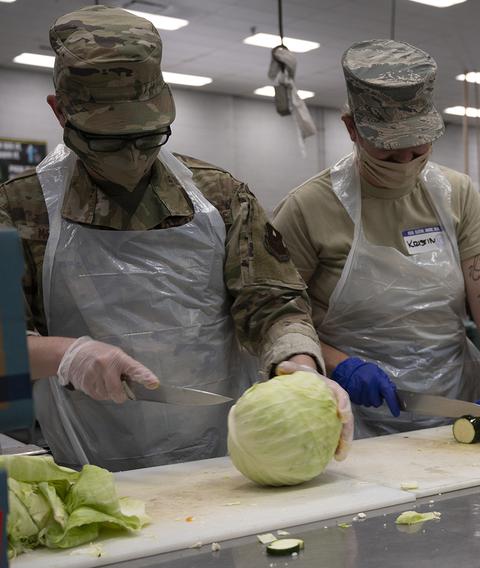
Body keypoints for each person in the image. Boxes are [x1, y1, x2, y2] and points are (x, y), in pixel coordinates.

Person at [0, 5, 352, 471]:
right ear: (59, 111)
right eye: (106, 140)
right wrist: (65, 354)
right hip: (89, 463)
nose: (132, 156)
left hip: (228, 460)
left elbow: (273, 302)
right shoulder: (18, 211)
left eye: (149, 137)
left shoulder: (221, 197)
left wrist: (299, 364)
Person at [273, 39, 480, 440]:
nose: (406, 166)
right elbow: (277, 318)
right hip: (348, 418)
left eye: (419, 152)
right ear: (352, 128)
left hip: (456, 412)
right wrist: (340, 365)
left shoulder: (456, 194)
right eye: (390, 155)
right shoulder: (308, 207)